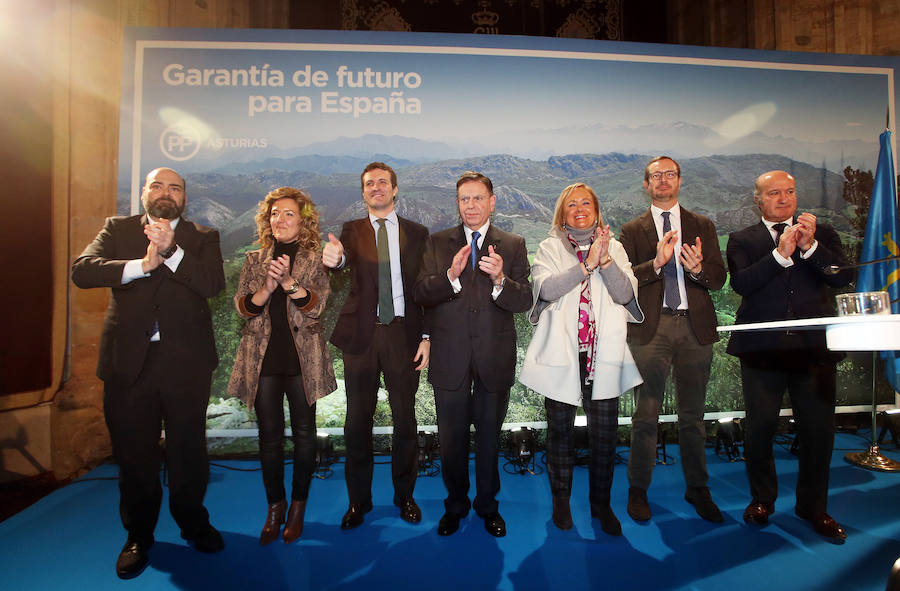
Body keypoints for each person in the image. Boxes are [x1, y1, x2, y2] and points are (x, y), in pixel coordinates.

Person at [71, 167, 225, 579]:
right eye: (157, 185)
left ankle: (193, 522)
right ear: (144, 193)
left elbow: (212, 285)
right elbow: (82, 271)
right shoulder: (116, 229)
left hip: (186, 365)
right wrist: (141, 264)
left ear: (184, 198)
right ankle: (139, 535)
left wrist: (172, 250)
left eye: (175, 188)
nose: (166, 193)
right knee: (134, 455)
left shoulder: (203, 237)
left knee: (188, 452)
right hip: (128, 364)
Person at [726, 170, 852, 542]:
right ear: (759, 200)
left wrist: (810, 248)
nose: (784, 199)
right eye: (775, 193)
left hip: (813, 353)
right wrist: (780, 256)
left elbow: (840, 277)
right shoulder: (742, 239)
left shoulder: (822, 235)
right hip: (762, 352)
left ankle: (813, 508)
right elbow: (742, 284)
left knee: (818, 434)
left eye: (790, 192)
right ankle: (762, 500)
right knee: (760, 430)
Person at [519, 183, 643, 536]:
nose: (579, 209)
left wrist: (604, 263)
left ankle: (601, 505)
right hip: (563, 354)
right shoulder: (549, 247)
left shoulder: (614, 247)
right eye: (571, 204)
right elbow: (545, 289)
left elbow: (626, 294)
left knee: (604, 437)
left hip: (602, 355)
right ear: (562, 213)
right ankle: (561, 502)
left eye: (586, 203)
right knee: (560, 435)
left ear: (596, 210)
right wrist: (585, 266)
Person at [414, 171, 532, 538]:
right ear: (457, 203)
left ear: (492, 201)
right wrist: (450, 276)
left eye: (478, 198)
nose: (471, 205)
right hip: (450, 356)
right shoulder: (437, 242)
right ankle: (455, 505)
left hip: (494, 357)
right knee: (450, 439)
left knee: (487, 439)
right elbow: (421, 293)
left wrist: (500, 280)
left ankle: (487, 506)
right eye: (464, 199)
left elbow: (524, 299)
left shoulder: (512, 244)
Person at [619, 156, 727, 524]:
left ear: (679, 181)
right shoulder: (632, 230)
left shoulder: (702, 225)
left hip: (695, 329)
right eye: (655, 176)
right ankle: (638, 490)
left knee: (693, 416)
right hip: (652, 329)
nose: (663, 180)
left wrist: (697, 269)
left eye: (670, 174)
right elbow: (625, 279)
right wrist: (657, 263)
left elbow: (718, 278)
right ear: (646, 185)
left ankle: (698, 488)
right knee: (645, 415)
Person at [322, 162, 430, 529]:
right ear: (363, 192)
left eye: (383, 182)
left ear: (395, 189)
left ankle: (405, 497)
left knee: (405, 423)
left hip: (404, 336)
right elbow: (342, 261)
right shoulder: (351, 230)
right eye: (369, 184)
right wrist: (335, 262)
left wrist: (427, 336)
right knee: (356, 424)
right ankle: (358, 502)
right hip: (362, 338)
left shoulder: (418, 232)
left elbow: (426, 290)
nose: (376, 188)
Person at [227, 187, 337, 545]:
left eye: (288, 213)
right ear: (267, 220)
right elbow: (243, 307)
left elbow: (317, 307)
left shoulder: (315, 259)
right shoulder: (253, 260)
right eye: (275, 214)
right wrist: (268, 286)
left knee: (305, 435)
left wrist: (289, 284)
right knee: (269, 437)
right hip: (263, 360)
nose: (280, 220)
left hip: (302, 361)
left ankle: (298, 507)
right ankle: (275, 507)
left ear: (303, 220)